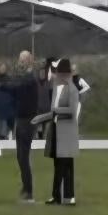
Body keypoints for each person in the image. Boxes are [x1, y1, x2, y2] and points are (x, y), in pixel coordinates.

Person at [34, 58, 80, 205]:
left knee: (66, 164)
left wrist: (56, 111)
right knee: (57, 164)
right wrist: (41, 118)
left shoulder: (72, 89)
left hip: (67, 131)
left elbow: (72, 110)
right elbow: (53, 112)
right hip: (55, 129)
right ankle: (56, 196)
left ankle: (69, 195)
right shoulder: (55, 88)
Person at [1, 50, 41, 203]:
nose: (20, 63)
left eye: (22, 60)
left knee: (23, 156)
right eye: (19, 60)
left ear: (29, 61)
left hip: (28, 120)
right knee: (20, 156)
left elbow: (15, 87)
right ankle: (26, 189)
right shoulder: (24, 78)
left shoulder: (30, 79)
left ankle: (28, 192)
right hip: (22, 119)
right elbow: (14, 85)